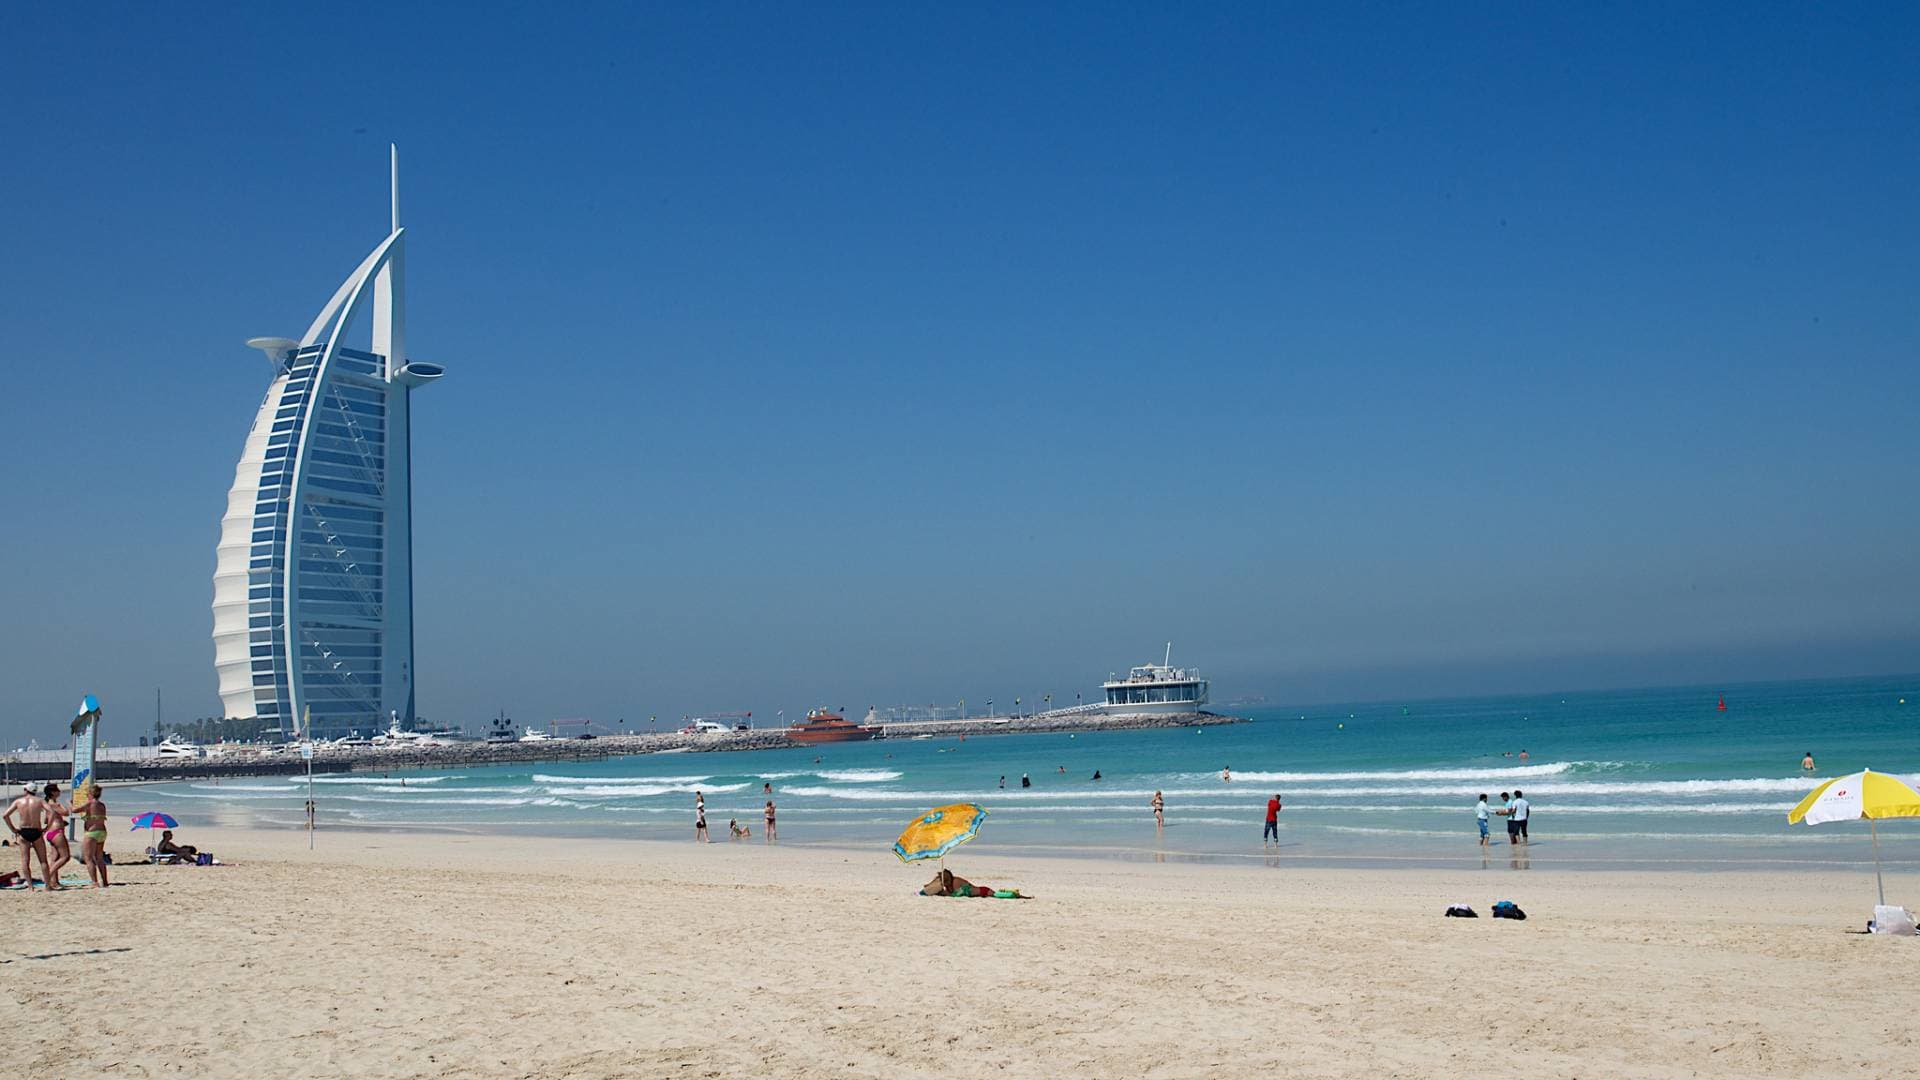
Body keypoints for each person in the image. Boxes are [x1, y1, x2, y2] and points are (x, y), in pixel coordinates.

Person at [4, 783, 56, 890]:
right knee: (43, 860)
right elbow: (52, 812)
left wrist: (13, 829)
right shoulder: (39, 801)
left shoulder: (19, 801)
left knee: (25, 860)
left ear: (26, 790)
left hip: (24, 831)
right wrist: (47, 827)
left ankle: (30, 886)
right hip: (36, 831)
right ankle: (47, 886)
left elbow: (5, 815)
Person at [76, 783, 109, 888]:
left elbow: (74, 810)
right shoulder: (102, 805)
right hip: (102, 831)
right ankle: (105, 881)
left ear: (90, 794)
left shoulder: (90, 804)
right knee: (99, 858)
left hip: (92, 833)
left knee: (88, 858)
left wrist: (70, 803)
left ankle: (94, 882)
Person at [43, 783, 73, 881]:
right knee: (65, 857)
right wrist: (67, 804)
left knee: (55, 858)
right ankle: (48, 877)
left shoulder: (47, 804)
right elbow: (66, 812)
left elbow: (45, 820)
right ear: (52, 792)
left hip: (51, 832)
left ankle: (54, 881)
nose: (59, 792)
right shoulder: (53, 804)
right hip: (57, 832)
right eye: (57, 790)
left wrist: (59, 821)